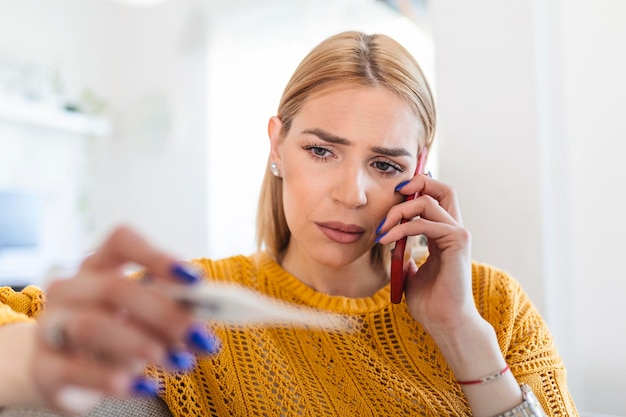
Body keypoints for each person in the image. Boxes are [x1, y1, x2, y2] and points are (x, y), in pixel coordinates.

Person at [0, 31, 578, 416]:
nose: (352, 194)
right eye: (321, 151)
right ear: (277, 145)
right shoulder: (200, 303)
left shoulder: (493, 307)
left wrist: (461, 335)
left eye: (384, 164)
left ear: (420, 171)